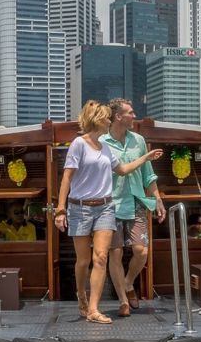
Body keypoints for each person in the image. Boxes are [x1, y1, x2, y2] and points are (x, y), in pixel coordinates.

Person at [54, 101, 163, 324]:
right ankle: (82, 296)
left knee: (101, 257)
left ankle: (94, 310)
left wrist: (145, 158)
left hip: (105, 207)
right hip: (81, 208)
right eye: (106, 118)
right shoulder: (79, 144)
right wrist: (60, 209)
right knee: (83, 261)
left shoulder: (106, 148)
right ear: (97, 120)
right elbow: (67, 177)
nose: (109, 120)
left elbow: (122, 170)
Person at [101, 98, 165, 317]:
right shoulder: (101, 142)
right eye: (131, 112)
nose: (134, 115)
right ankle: (122, 301)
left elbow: (148, 175)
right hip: (110, 206)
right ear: (118, 116)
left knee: (141, 251)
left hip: (136, 202)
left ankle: (128, 283)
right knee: (115, 254)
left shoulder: (138, 140)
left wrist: (157, 199)